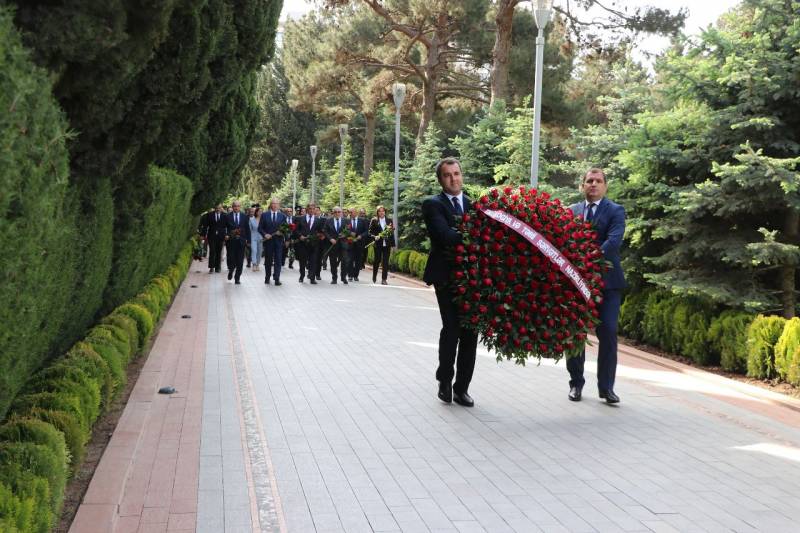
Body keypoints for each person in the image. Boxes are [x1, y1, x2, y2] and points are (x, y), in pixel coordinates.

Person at [567, 168, 626, 404]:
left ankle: (606, 388)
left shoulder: (615, 210)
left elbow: (613, 241)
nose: (593, 184)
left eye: (598, 181)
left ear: (605, 186)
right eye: (589, 181)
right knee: (575, 333)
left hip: (608, 283)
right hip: (577, 283)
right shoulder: (572, 211)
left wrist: (588, 259)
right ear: (582, 185)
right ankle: (576, 384)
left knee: (609, 332)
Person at [422, 157, 478, 408]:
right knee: (452, 329)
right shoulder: (432, 204)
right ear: (440, 179)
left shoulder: (474, 205)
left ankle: (462, 388)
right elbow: (444, 236)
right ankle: (444, 380)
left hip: (473, 278)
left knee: (470, 332)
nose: (453, 179)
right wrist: (476, 234)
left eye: (456, 173)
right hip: (445, 276)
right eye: (447, 175)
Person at [258, 198, 287, 285]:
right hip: (268, 241)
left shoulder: (282, 216)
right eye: (273, 203)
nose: (275, 205)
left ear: (279, 205)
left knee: (278, 260)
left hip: (278, 241)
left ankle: (277, 278)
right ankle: (267, 277)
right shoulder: (264, 215)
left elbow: (286, 228)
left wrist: (281, 232)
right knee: (268, 260)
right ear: (270, 205)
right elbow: (260, 228)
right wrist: (265, 234)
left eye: (276, 204)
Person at [295, 202, 323, 284]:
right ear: (307, 209)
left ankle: (312, 277)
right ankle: (302, 275)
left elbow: (320, 231)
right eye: (310, 209)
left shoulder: (318, 220)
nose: (311, 210)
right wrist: (300, 236)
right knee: (302, 261)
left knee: (313, 261)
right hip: (303, 244)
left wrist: (320, 235)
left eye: (313, 209)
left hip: (314, 244)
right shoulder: (300, 218)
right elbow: (296, 230)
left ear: (315, 210)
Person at [225, 201, 250, 284]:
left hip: (241, 241)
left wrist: (248, 240)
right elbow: (225, 228)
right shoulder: (228, 216)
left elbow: (247, 229)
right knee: (231, 259)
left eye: (238, 206)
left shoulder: (244, 216)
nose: (236, 208)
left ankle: (237, 278)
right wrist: (227, 235)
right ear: (232, 207)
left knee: (240, 261)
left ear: (240, 207)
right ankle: (231, 270)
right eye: (235, 206)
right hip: (231, 241)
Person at [323, 206, 350, 284]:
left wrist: (344, 235)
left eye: (339, 212)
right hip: (333, 244)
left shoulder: (346, 221)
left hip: (343, 244)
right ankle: (334, 278)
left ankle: (343, 277)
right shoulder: (328, 221)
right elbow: (325, 231)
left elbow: (349, 230)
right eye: (335, 212)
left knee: (344, 261)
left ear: (341, 212)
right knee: (333, 262)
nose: (337, 213)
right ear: (333, 213)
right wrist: (330, 239)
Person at [369, 205, 393, 285]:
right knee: (377, 260)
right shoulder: (374, 220)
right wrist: (374, 236)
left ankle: (384, 279)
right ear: (377, 212)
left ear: (385, 212)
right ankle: (374, 275)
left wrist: (392, 243)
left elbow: (391, 232)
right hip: (378, 244)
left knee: (385, 262)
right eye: (380, 211)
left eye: (383, 211)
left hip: (387, 244)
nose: (381, 212)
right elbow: (370, 232)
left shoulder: (389, 220)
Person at [347, 207, 368, 281]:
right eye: (349, 212)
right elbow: (344, 230)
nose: (350, 214)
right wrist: (349, 233)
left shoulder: (362, 221)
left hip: (359, 243)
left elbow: (366, 231)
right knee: (350, 259)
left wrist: (361, 236)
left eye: (351, 212)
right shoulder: (347, 221)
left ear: (355, 212)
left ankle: (356, 275)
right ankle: (350, 275)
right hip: (350, 243)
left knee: (358, 260)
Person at [206, 204, 227, 273]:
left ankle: (218, 267)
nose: (218, 209)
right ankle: (211, 267)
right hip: (211, 236)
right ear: (214, 208)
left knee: (218, 252)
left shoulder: (225, 215)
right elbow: (206, 226)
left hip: (221, 236)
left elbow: (227, 226)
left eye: (219, 208)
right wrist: (203, 235)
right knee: (212, 251)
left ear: (221, 208)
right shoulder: (210, 215)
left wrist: (227, 235)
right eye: (216, 208)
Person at [249, 207, 263, 272]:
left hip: (261, 238)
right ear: (256, 212)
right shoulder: (251, 219)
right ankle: (254, 264)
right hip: (253, 237)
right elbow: (249, 230)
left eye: (261, 211)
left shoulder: (263, 220)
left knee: (259, 252)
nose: (260, 213)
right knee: (254, 250)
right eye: (259, 211)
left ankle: (257, 264)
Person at [315, 206, 326, 279]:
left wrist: (324, 235)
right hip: (313, 241)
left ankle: (318, 274)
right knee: (312, 258)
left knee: (319, 259)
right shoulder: (311, 219)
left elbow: (327, 229)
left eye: (317, 210)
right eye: (315, 210)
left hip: (321, 242)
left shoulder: (324, 220)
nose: (316, 212)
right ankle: (311, 272)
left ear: (320, 211)